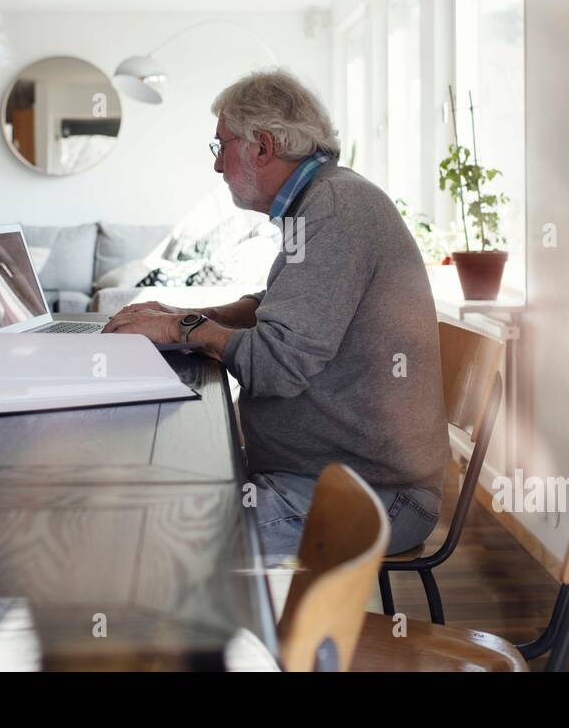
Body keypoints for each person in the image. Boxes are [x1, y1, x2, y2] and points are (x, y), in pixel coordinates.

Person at [103, 69, 447, 564]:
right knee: (155, 495)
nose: (218, 165)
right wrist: (188, 314)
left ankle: (218, 640)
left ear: (262, 147)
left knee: (155, 540)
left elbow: (275, 365)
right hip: (327, 476)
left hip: (372, 497)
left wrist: (183, 329)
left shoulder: (333, 208)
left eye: (222, 145)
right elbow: (278, 305)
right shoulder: (324, 200)